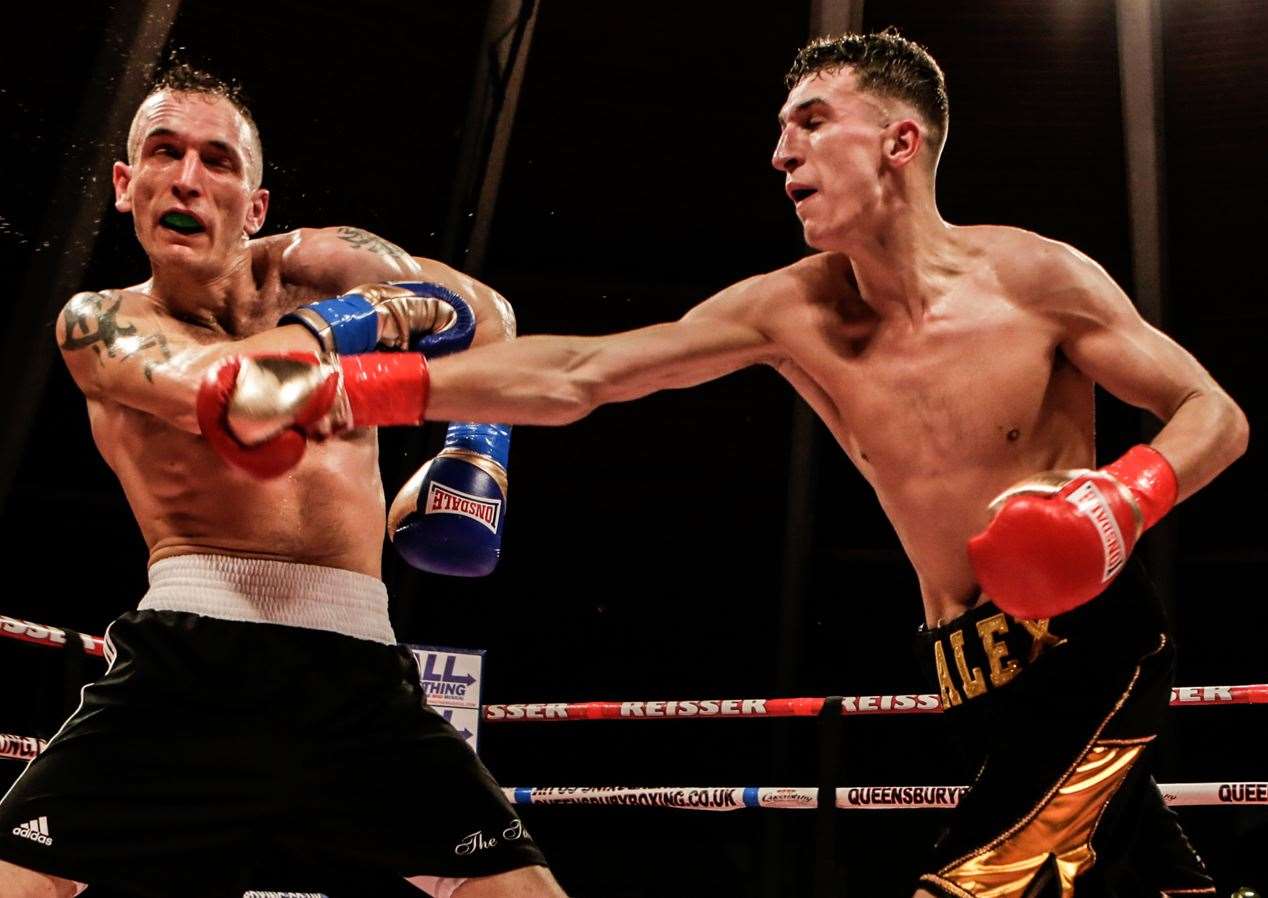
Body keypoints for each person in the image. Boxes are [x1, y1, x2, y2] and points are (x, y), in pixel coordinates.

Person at [412, 29, 1248, 897]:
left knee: (965, 887)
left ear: (899, 141)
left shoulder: (1036, 279)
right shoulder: (791, 309)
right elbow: (586, 372)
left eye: (812, 122)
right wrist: (372, 386)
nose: (781, 153)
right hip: (966, 679)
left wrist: (1122, 499)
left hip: (1090, 640)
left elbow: (1215, 412)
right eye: (782, 130)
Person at [0, 64, 565, 898]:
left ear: (256, 206)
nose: (188, 178)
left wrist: (474, 450)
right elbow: (223, 397)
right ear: (126, 185)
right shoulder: (102, 319)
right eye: (164, 153)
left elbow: (487, 315)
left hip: (358, 673)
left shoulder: (322, 261)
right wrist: (354, 326)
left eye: (218, 161)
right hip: (184, 664)